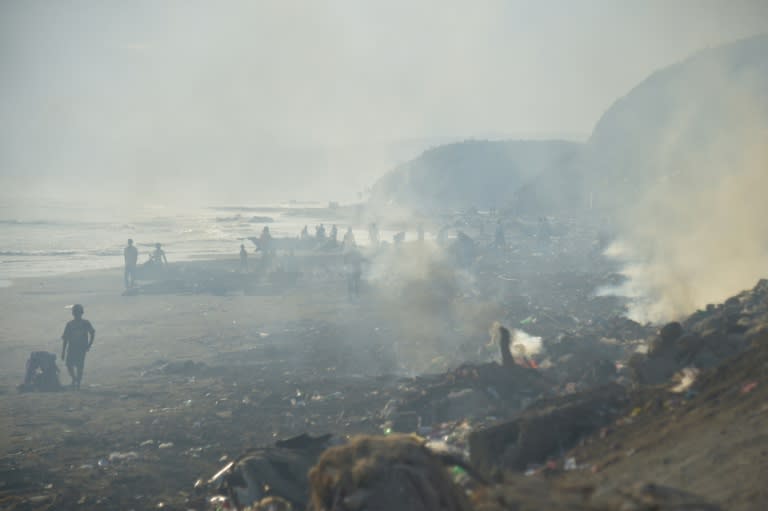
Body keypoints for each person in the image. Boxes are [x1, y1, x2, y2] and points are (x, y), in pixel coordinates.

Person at [61, 304, 95, 390]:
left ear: (81, 313)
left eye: (78, 312)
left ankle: (78, 383)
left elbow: (92, 333)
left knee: (79, 366)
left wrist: (89, 345)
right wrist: (63, 352)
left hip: (81, 348)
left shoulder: (85, 323)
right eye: (75, 313)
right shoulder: (70, 324)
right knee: (69, 364)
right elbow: (65, 338)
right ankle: (75, 379)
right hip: (72, 347)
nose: (77, 314)